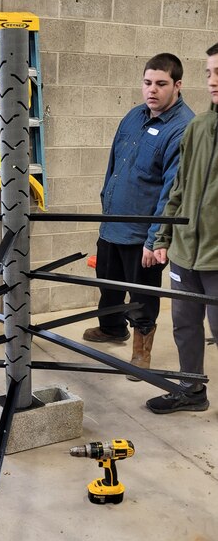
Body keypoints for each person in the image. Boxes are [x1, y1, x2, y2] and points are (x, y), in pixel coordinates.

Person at [83, 53, 194, 379]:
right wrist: (106, 206)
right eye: (147, 83)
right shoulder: (134, 116)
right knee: (108, 281)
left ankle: (141, 354)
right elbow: (113, 166)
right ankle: (113, 329)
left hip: (143, 234)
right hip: (113, 224)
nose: (152, 90)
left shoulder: (182, 128)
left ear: (177, 85)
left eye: (161, 84)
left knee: (143, 295)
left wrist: (155, 239)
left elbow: (173, 192)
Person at [146, 42, 218, 414]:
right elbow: (178, 187)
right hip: (185, 253)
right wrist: (163, 235)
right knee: (184, 325)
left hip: (217, 260)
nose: (212, 81)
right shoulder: (199, 127)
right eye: (208, 72)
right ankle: (191, 390)